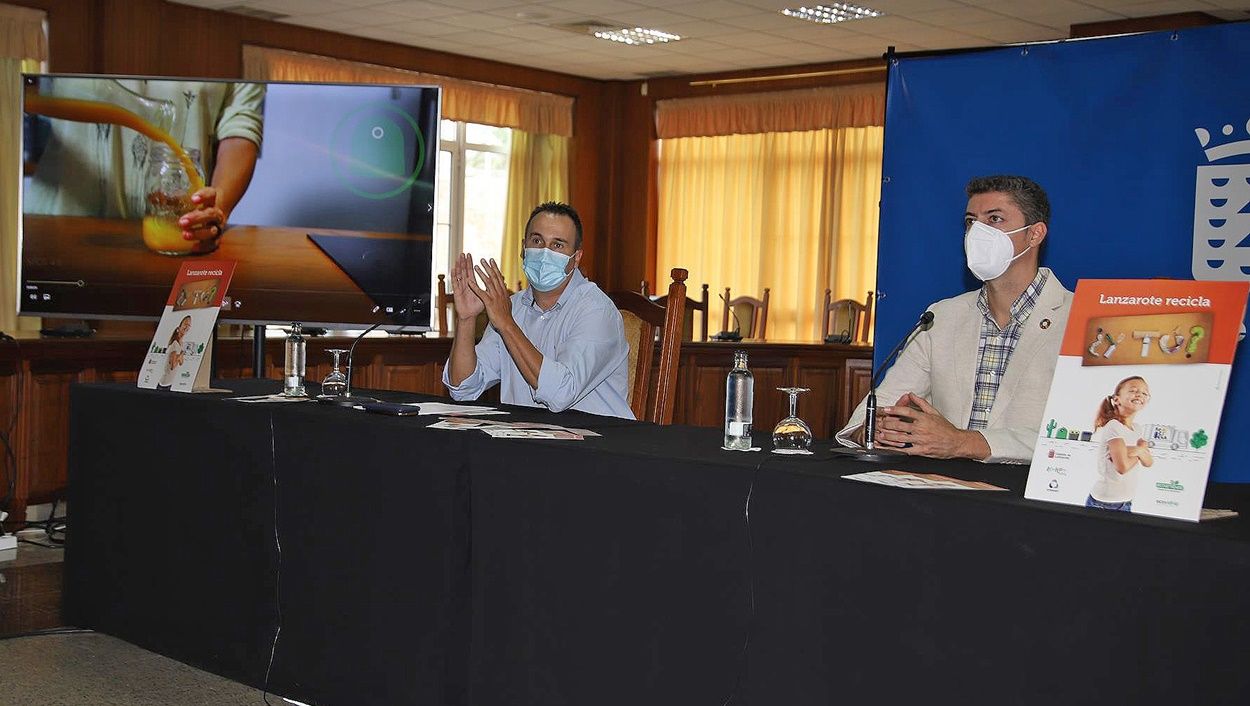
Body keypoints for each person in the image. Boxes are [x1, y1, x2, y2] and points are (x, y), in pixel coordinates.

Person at [836, 175, 1073, 462]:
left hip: (1030, 496)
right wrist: (877, 431)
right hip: (948, 494)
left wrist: (963, 442)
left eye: (995, 219)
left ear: (1034, 234)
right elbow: (877, 409)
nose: (977, 232)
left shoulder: (1080, 319)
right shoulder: (941, 316)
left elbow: (1080, 437)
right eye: (971, 221)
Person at [442, 202, 633, 418]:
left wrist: (507, 325)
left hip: (595, 442)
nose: (544, 253)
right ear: (523, 248)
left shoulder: (595, 309)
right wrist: (466, 320)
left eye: (557, 245)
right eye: (537, 241)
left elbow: (560, 393)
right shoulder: (511, 309)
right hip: (527, 440)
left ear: (576, 257)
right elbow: (463, 389)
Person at [24, 77, 264, 246]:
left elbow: (242, 126)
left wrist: (216, 206)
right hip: (61, 229)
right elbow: (25, 85)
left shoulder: (236, 28)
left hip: (180, 237)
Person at [1087, 376, 1154, 512]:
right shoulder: (1113, 426)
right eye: (1133, 390)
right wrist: (1140, 451)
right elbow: (1122, 467)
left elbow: (1148, 462)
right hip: (1104, 503)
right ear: (1116, 400)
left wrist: (1133, 451)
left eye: (1144, 393)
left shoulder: (1137, 429)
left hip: (1126, 501)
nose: (1140, 394)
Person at [157, 315, 192, 390]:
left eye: (189, 325)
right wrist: (181, 354)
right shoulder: (175, 344)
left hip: (170, 383)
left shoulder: (181, 344)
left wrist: (181, 355)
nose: (187, 327)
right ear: (178, 328)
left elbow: (181, 363)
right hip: (164, 384)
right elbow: (173, 366)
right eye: (185, 324)